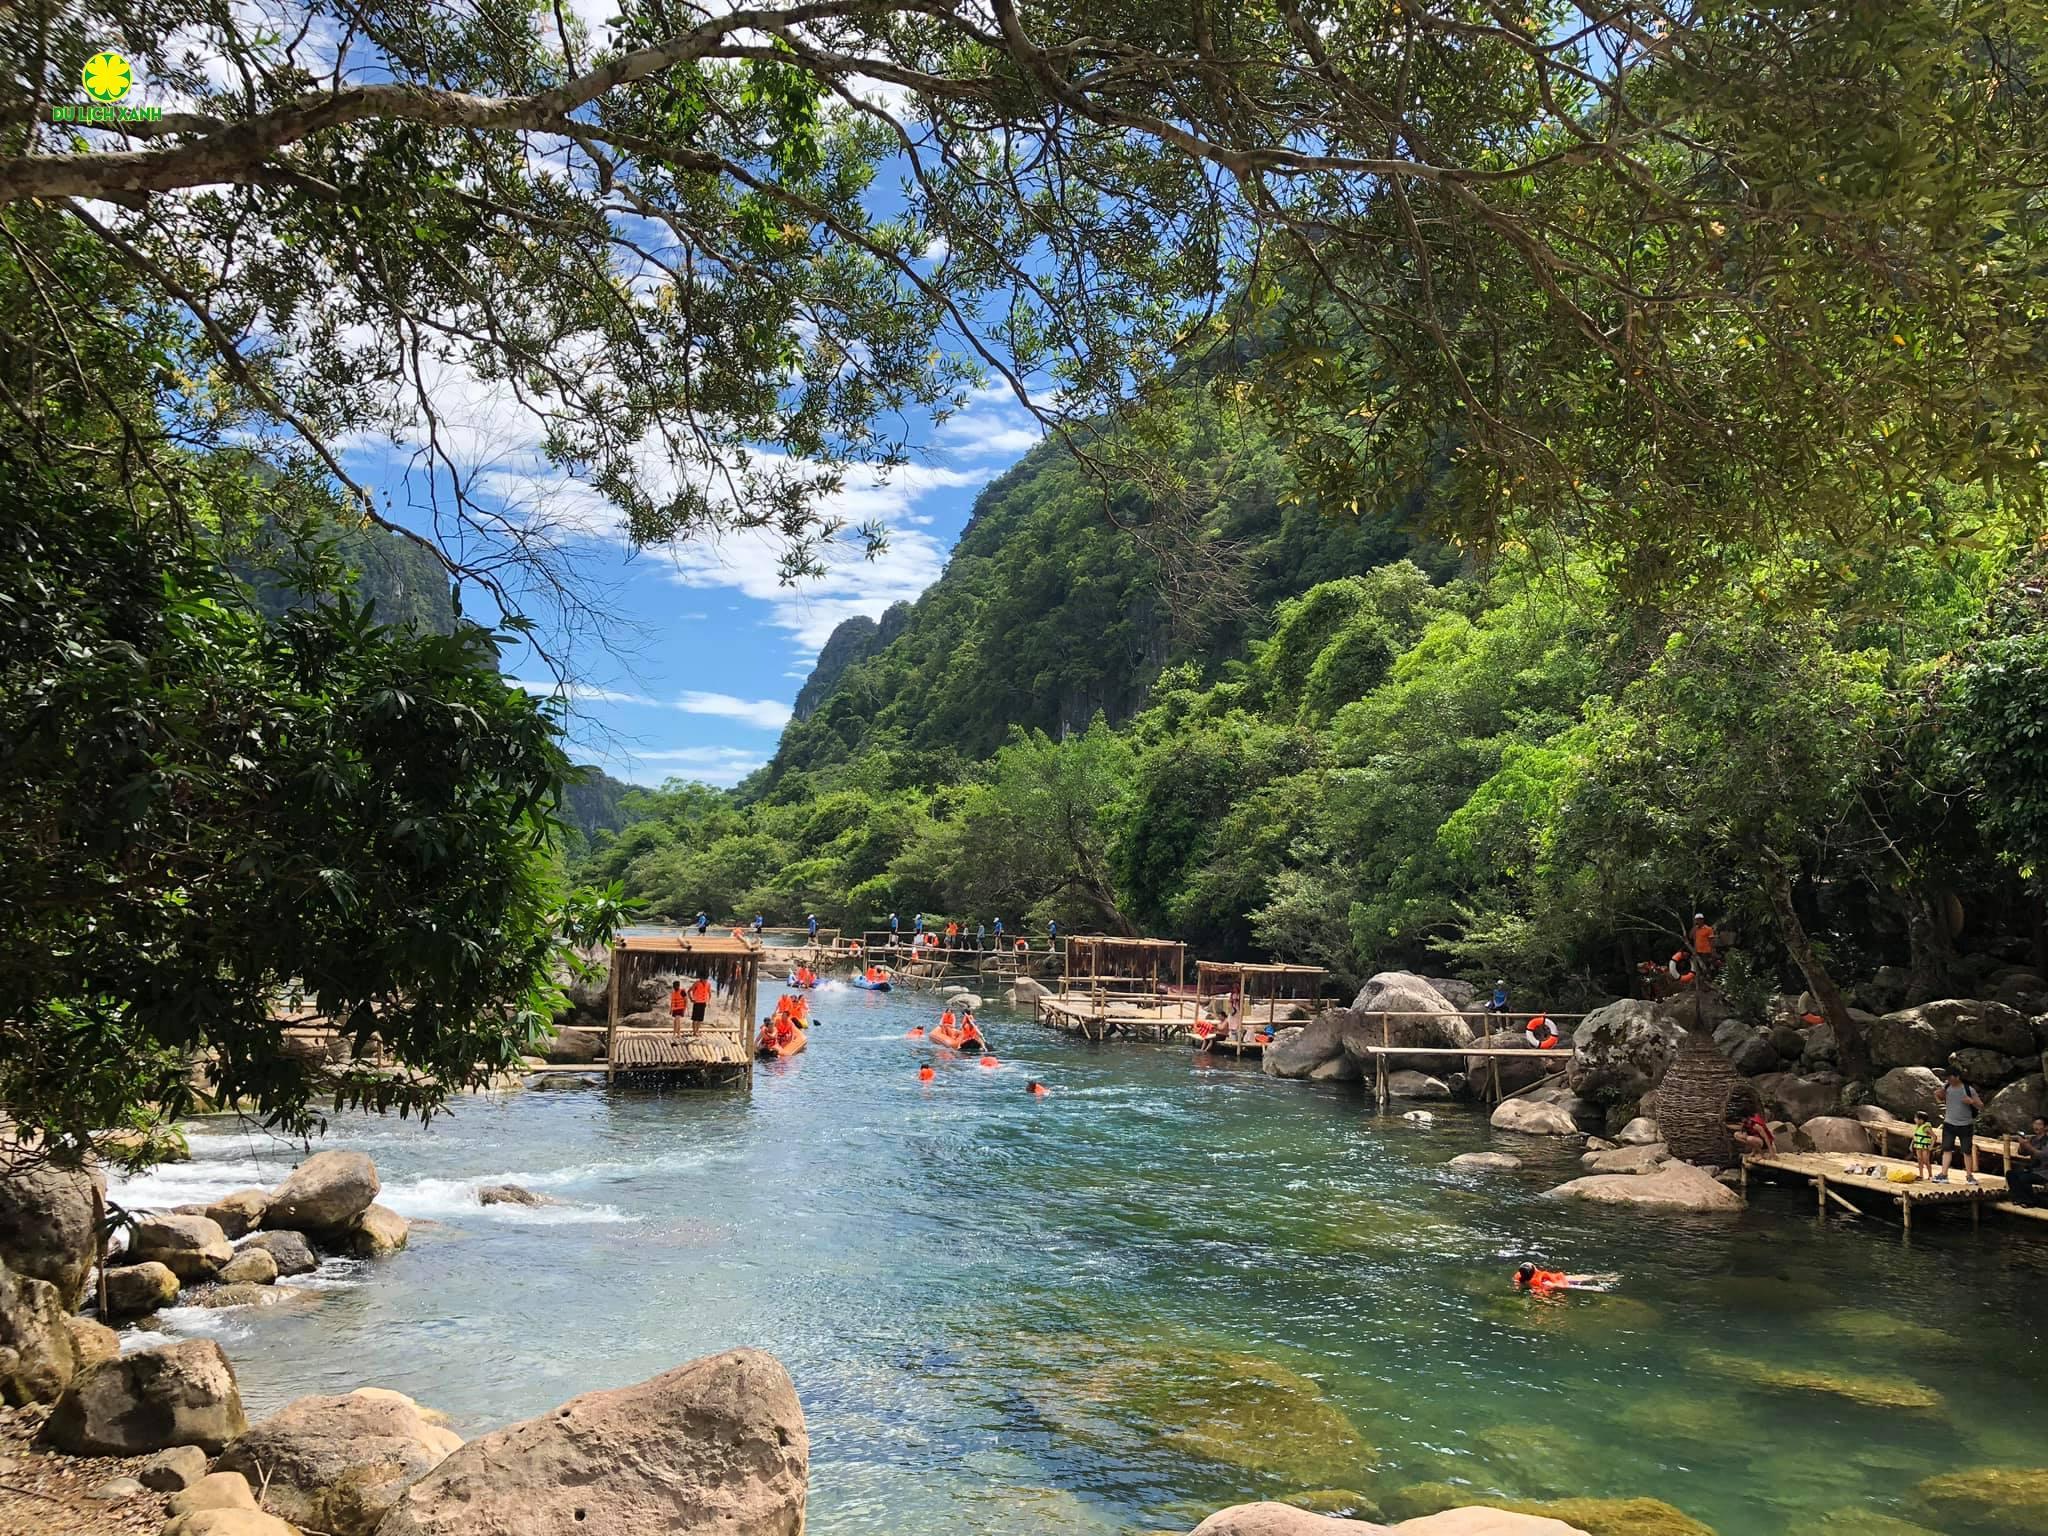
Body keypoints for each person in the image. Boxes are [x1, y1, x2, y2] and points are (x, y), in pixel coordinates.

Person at [1935, 1069, 1983, 1184]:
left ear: (1957, 1077)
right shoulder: (1946, 1087)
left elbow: (1981, 1105)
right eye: (1947, 1078)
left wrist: (1971, 1102)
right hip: (1949, 1123)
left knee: (1966, 1151)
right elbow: (1940, 1100)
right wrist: (1937, 1095)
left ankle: (1969, 1176)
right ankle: (1944, 1174)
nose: (1948, 1080)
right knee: (1946, 1149)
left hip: (1965, 1125)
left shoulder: (1968, 1089)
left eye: (1950, 1077)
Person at [2006, 1117, 2048, 1206]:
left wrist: (2028, 1146)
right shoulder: (2033, 1139)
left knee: (2024, 1178)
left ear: (2046, 1127)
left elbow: (2043, 1156)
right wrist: (2022, 1144)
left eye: (2039, 1124)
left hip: (2044, 1173)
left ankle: (2030, 1201)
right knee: (2010, 1174)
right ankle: (2019, 1198)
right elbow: (2022, 1153)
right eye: (2035, 1124)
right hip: (2033, 1170)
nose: (2036, 1126)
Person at [1513, 1261, 1619, 1294]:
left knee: (1577, 1279)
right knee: (1577, 1280)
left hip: (1554, 1280)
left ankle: (1603, 1279)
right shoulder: (1541, 1282)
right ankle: (1605, 1279)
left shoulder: (1519, 1279)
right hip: (1555, 1281)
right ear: (1534, 1269)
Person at [1911, 1113, 1936, 1179]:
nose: (1914, 1119)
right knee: (1919, 1160)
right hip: (1918, 1146)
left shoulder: (1926, 1128)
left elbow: (1934, 1136)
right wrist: (1912, 1145)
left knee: (1926, 1160)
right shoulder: (1918, 1127)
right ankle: (1921, 1175)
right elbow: (1915, 1136)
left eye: (1916, 1118)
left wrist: (1931, 1146)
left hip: (1925, 1147)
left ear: (1921, 1120)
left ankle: (1930, 1175)